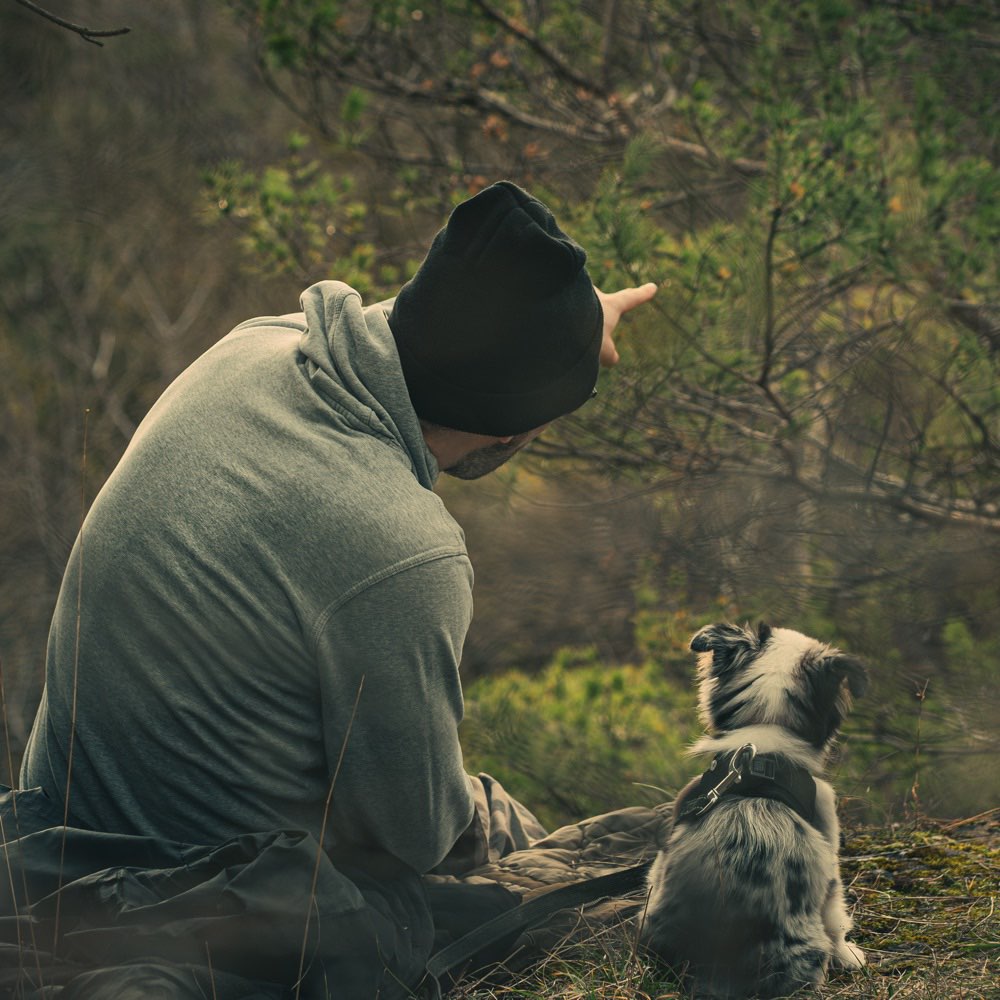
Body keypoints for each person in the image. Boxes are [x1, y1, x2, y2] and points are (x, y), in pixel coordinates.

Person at [12, 180, 657, 995]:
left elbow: (447, 317)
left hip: (54, 846)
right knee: (514, 845)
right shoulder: (402, 547)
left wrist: (565, 317)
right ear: (513, 428)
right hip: (213, 904)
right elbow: (416, 836)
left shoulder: (254, 348)